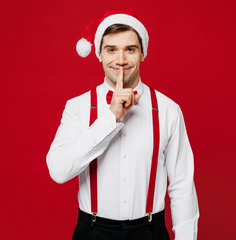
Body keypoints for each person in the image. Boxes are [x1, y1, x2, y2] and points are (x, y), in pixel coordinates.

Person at [46, 9, 199, 240]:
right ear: (99, 54)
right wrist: (111, 118)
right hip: (93, 232)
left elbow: (182, 185)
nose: (120, 60)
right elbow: (58, 170)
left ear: (143, 54)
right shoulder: (77, 107)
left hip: (150, 232)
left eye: (130, 49)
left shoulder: (168, 110)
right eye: (111, 50)